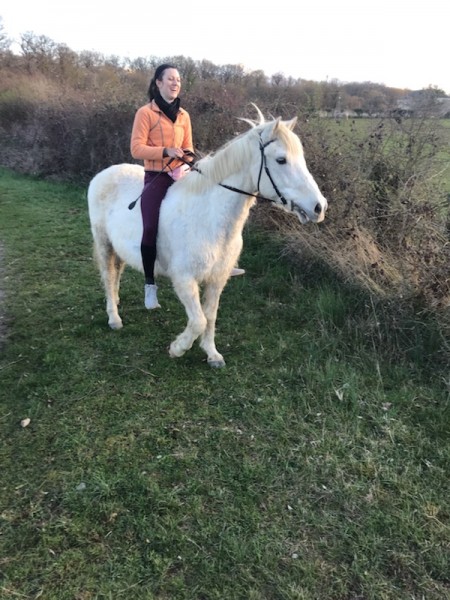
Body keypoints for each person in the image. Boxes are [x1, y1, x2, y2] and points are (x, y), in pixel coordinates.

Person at [130, 64, 244, 310]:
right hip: (156, 176)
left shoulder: (184, 115)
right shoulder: (145, 113)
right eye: (170, 79)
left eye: (178, 80)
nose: (175, 83)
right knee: (149, 226)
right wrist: (165, 151)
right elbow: (136, 149)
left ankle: (221, 264)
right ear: (158, 83)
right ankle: (150, 284)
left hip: (182, 174)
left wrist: (188, 157)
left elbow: (189, 147)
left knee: (210, 210)